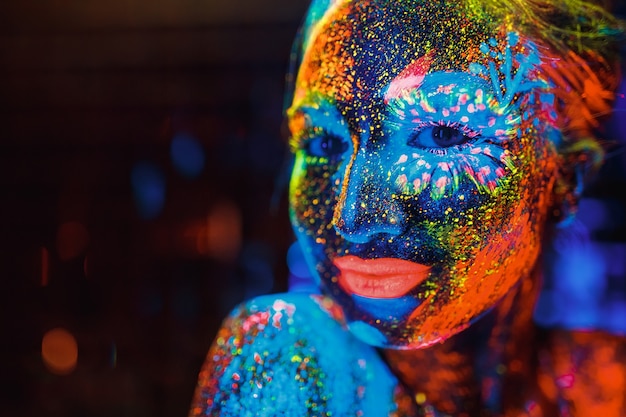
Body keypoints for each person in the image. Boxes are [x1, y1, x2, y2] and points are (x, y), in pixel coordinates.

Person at [190, 0, 625, 415]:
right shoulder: (290, 357)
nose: (355, 218)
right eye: (324, 143)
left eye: (441, 136)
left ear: (565, 176)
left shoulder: (604, 384)